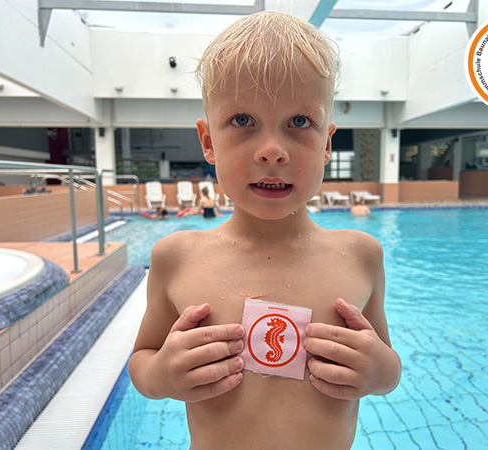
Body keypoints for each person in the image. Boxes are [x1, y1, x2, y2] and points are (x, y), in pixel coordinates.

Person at [128, 11, 401, 450]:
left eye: (299, 122)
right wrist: (161, 375)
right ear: (208, 141)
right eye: (242, 120)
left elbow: (387, 364)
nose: (272, 151)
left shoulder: (360, 255)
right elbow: (142, 360)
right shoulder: (176, 258)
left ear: (327, 143)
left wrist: (379, 371)